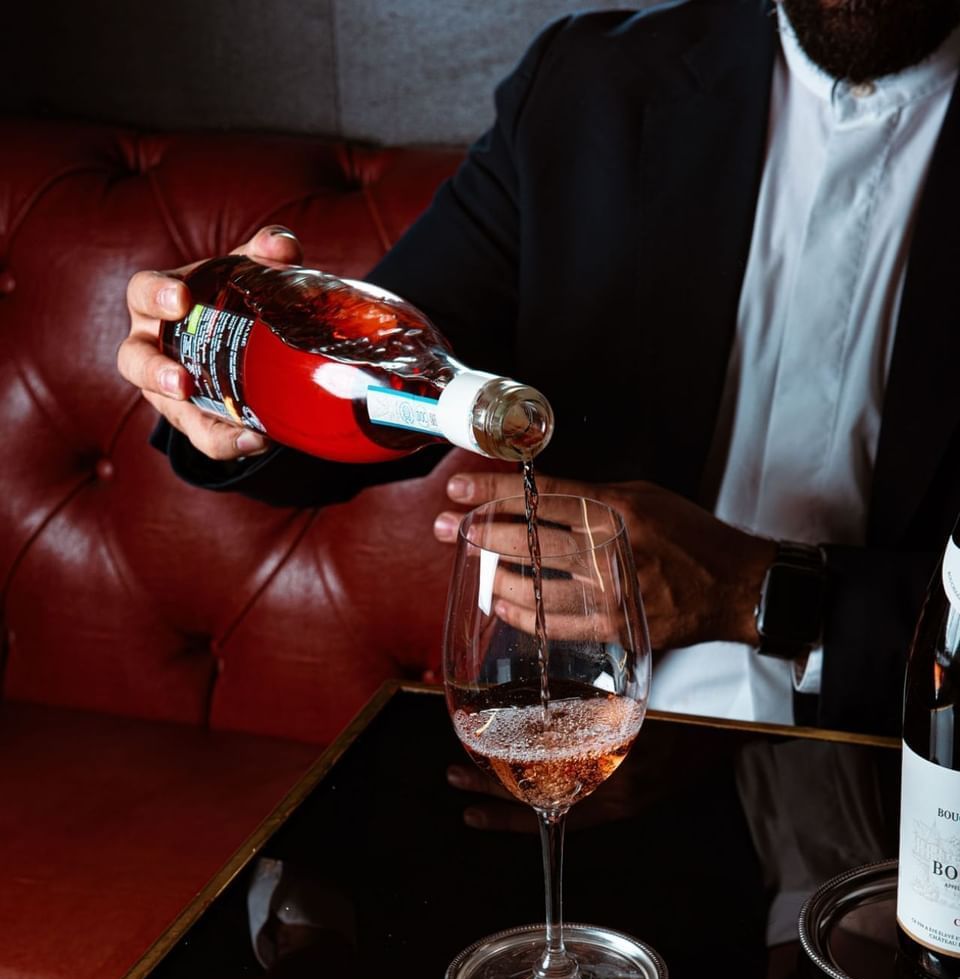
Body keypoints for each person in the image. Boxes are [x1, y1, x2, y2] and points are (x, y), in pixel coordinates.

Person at [118, 0, 960, 738]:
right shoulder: (591, 87)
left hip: (908, 759)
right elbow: (390, 376)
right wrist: (231, 411)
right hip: (582, 734)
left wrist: (754, 593)